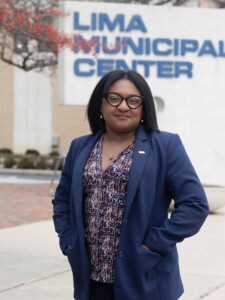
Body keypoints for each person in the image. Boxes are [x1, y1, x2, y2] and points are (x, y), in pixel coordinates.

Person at [52, 69, 209, 300]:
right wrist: (68, 240)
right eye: (114, 98)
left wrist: (154, 245)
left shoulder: (165, 146)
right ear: (100, 103)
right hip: (90, 279)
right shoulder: (80, 147)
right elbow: (63, 200)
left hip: (144, 277)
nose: (123, 106)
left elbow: (195, 205)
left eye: (133, 100)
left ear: (144, 107)